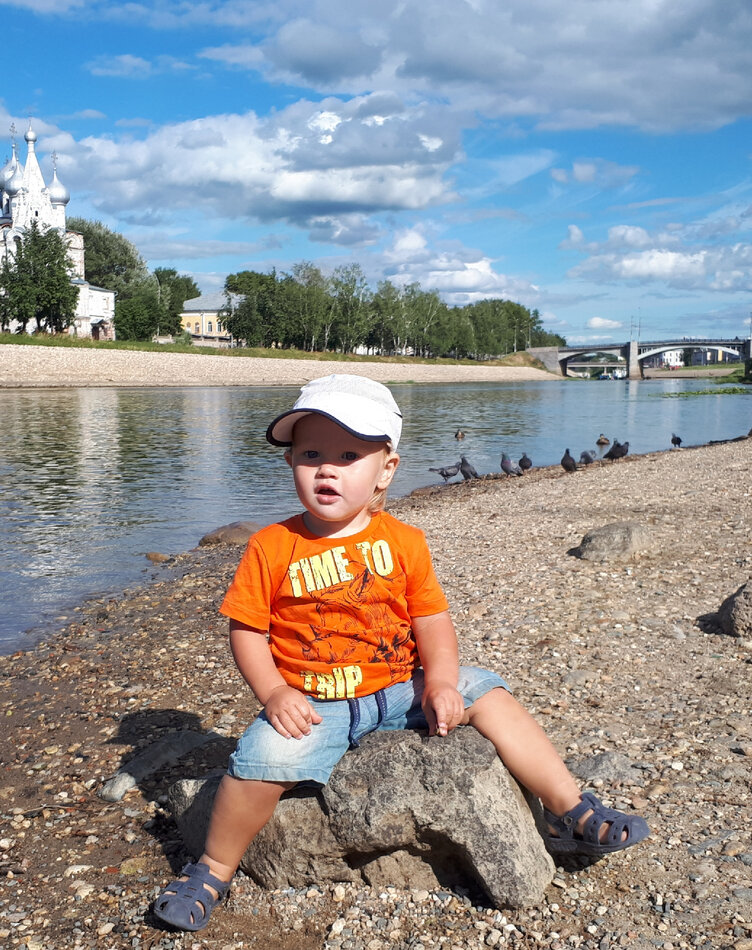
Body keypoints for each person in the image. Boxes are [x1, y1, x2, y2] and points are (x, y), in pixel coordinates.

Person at [151, 374, 649, 933]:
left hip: (398, 687)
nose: (326, 469)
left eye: (348, 455)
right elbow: (246, 632)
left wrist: (440, 681)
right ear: (290, 461)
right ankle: (214, 867)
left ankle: (567, 807)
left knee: (492, 695)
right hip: (316, 701)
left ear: (386, 468)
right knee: (260, 763)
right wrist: (274, 692)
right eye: (310, 453)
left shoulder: (405, 542)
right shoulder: (272, 546)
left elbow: (431, 619)